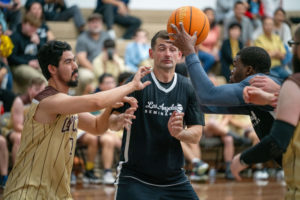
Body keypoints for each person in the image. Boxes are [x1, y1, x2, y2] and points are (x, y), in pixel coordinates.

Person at [3, 40, 151, 199]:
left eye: (74, 60)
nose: (75, 66)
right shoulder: (47, 100)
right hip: (28, 192)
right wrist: (131, 85)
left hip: (58, 193)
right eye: (68, 62)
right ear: (52, 69)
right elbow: (96, 102)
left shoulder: (66, 104)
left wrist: (110, 109)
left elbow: (96, 127)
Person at [171, 22, 283, 168]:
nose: (231, 70)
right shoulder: (253, 97)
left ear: (249, 70)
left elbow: (208, 95)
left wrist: (190, 53)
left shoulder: (256, 82)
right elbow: (207, 105)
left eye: (236, 65)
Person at [110, 30, 204, 200]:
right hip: (134, 177)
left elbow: (196, 134)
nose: (167, 53)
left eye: (173, 49)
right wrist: (119, 119)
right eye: (162, 48)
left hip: (174, 179)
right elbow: (110, 122)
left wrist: (180, 133)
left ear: (180, 54)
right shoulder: (136, 82)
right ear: (151, 53)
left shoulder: (188, 87)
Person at [231, 27, 300, 199]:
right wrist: (275, 96)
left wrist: (241, 160)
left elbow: (277, 141)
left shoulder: (294, 84)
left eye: (293, 44)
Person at [8, 12, 45, 93]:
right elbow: (11, 58)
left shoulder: (35, 36)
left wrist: (39, 43)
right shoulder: (15, 37)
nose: (33, 29)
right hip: (19, 66)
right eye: (31, 26)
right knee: (40, 79)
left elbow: (45, 53)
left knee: (52, 75)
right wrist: (28, 62)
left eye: (35, 27)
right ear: (24, 24)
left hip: (34, 64)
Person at [197, 7, 221, 73]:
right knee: (210, 58)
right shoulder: (198, 27)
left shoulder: (216, 28)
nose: (210, 17)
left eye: (212, 15)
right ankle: (202, 74)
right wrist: (210, 52)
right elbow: (197, 45)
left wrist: (215, 50)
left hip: (212, 50)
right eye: (207, 14)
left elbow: (217, 42)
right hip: (200, 51)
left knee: (221, 55)